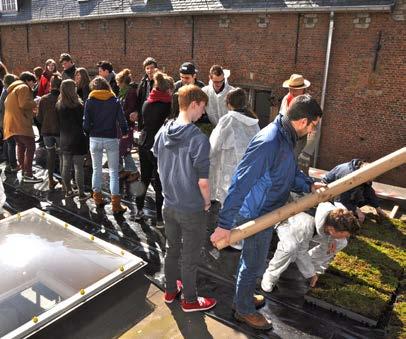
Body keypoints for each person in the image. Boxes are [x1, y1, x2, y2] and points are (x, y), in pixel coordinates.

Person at [210, 94, 323, 330]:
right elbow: (240, 182)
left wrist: (309, 184)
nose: (314, 130)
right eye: (314, 125)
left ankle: (244, 297)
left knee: (253, 260)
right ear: (303, 121)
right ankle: (243, 309)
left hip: (268, 210)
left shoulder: (286, 136)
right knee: (254, 263)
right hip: (256, 213)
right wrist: (224, 224)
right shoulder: (270, 141)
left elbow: (287, 172)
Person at [153, 84, 217, 312]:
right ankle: (190, 300)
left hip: (168, 205)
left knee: (171, 250)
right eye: (202, 108)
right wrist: (207, 202)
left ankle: (170, 291)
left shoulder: (163, 131)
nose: (203, 113)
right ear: (193, 104)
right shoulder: (197, 139)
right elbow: (203, 182)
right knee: (190, 257)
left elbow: (159, 165)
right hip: (191, 209)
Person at [261, 202, 360, 293]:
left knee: (341, 242)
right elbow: (301, 252)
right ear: (332, 230)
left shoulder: (339, 214)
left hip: (318, 229)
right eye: (344, 234)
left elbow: (338, 206)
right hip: (287, 222)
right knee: (290, 248)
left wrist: (332, 239)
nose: (346, 237)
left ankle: (313, 265)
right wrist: (310, 273)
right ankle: (270, 276)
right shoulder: (305, 225)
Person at [83, 76, 128, 213]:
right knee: (114, 172)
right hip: (111, 138)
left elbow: (85, 123)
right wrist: (125, 132)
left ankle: (97, 198)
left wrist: (89, 132)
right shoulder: (114, 101)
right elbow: (122, 119)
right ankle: (116, 205)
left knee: (96, 169)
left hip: (95, 138)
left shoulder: (89, 101)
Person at [209, 87, 259, 205]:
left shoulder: (227, 120)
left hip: (228, 172)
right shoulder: (254, 122)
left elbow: (213, 146)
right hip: (248, 171)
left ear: (228, 104)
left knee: (228, 207)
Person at [136, 72, 174, 226]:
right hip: (158, 146)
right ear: (168, 90)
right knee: (160, 183)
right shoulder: (168, 105)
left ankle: (138, 211)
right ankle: (159, 218)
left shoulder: (147, 102)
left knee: (143, 178)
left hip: (144, 143)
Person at [3, 72, 42, 183]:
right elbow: (24, 104)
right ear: (27, 81)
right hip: (21, 124)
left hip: (12, 124)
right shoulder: (23, 87)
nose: (33, 86)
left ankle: (25, 170)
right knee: (31, 147)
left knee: (21, 147)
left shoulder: (13, 89)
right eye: (33, 83)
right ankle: (28, 174)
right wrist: (35, 102)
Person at [322, 159, 387, 222]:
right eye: (369, 179)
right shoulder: (349, 177)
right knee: (344, 209)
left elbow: (368, 191)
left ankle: (352, 209)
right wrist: (356, 210)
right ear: (363, 176)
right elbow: (340, 199)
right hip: (328, 191)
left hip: (345, 191)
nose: (370, 181)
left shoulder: (362, 172)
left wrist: (378, 208)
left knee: (365, 198)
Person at [56, 79, 89, 200]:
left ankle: (68, 191)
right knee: (78, 168)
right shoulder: (79, 105)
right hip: (78, 138)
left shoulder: (59, 105)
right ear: (72, 89)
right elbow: (83, 123)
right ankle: (81, 193)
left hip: (64, 138)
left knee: (66, 166)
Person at [37, 74, 62, 189]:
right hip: (59, 131)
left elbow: (39, 118)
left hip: (46, 131)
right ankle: (64, 181)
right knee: (62, 156)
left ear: (51, 84)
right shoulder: (62, 98)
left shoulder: (43, 99)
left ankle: (51, 179)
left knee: (51, 155)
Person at [0, 73, 19, 172]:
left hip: (3, 121)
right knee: (11, 143)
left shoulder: (4, 91)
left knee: (7, 143)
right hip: (8, 121)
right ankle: (13, 165)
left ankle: (8, 163)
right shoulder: (8, 93)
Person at [135, 57, 157, 130]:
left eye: (152, 68)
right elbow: (139, 99)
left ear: (156, 69)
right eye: (147, 68)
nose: (150, 70)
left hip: (155, 114)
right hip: (144, 114)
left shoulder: (159, 82)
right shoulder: (143, 82)